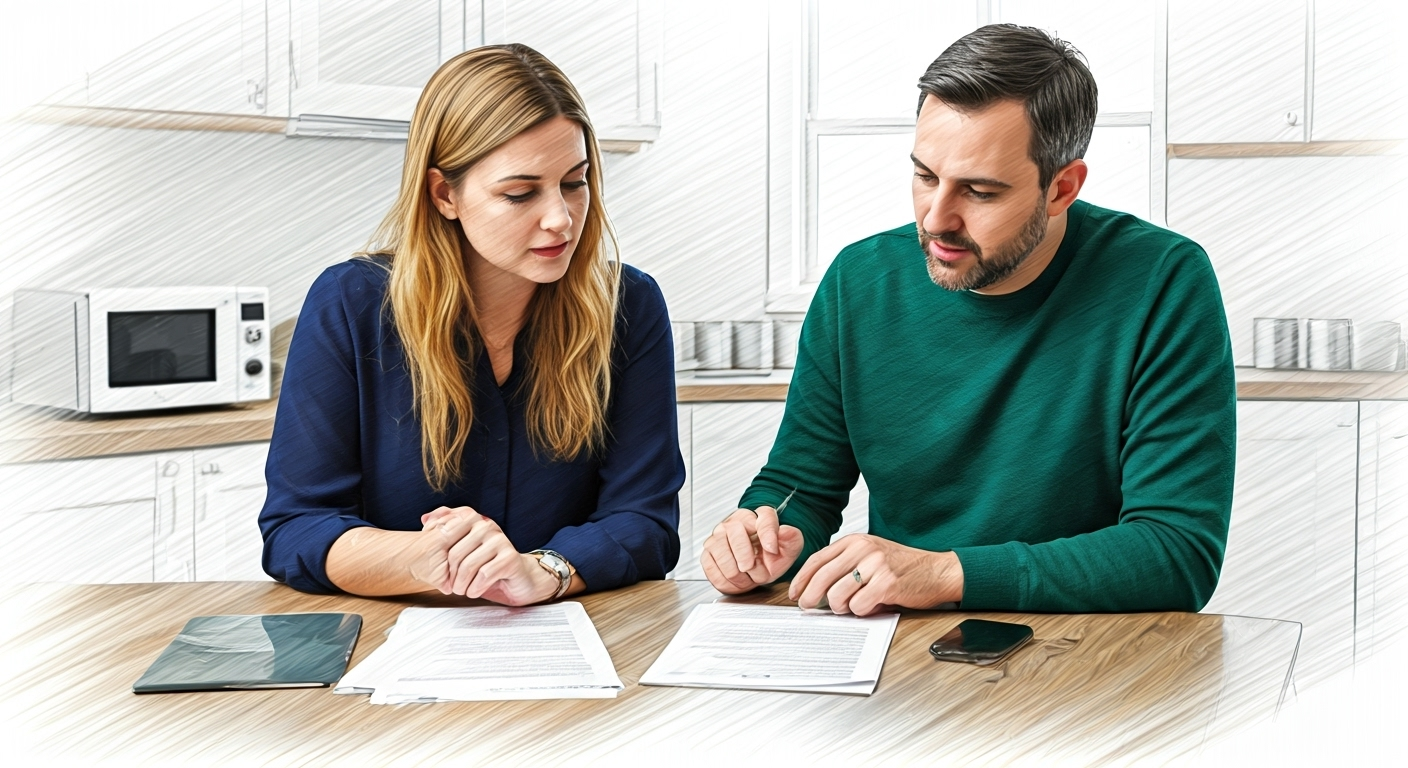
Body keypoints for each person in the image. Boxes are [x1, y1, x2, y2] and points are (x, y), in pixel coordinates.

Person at [700, 24, 1236, 616]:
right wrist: (766, 536)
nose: (935, 219)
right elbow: (802, 484)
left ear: (1062, 187)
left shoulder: (1161, 280)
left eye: (979, 191)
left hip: (1084, 657)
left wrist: (947, 573)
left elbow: (1177, 553)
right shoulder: (859, 282)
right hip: (902, 659)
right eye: (925, 176)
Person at [260, 44, 683, 603]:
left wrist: (543, 569)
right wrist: (422, 557)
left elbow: (646, 521)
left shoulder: (628, 307)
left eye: (575, 182)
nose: (561, 217)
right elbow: (296, 529)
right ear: (444, 194)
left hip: (574, 639)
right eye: (519, 192)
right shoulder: (351, 304)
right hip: (392, 647)